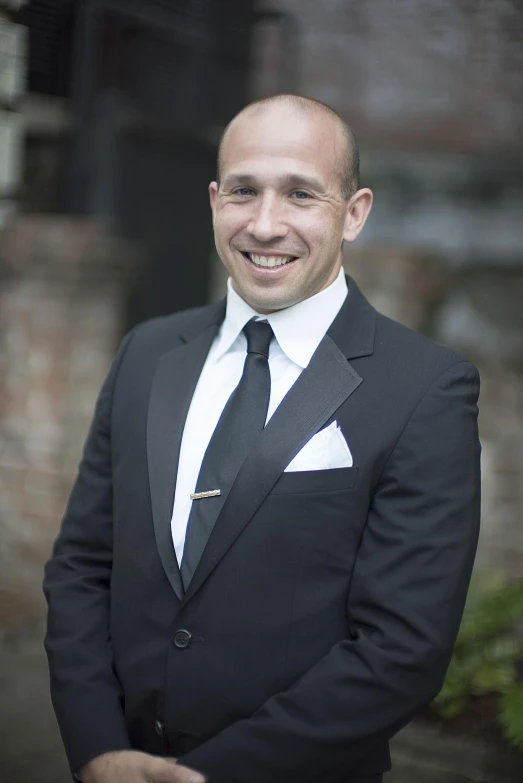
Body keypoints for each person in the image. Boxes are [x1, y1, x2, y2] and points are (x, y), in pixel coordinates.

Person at [43, 94, 481, 783]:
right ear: (215, 199)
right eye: (244, 191)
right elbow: (81, 566)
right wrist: (96, 745)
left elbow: (402, 647)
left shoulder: (425, 387)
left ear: (354, 212)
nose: (265, 224)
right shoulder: (147, 353)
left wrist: (215, 774)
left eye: (301, 194)